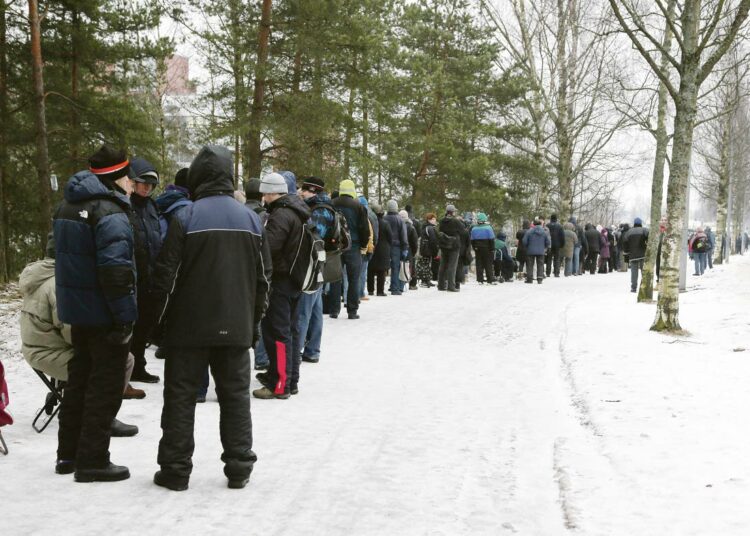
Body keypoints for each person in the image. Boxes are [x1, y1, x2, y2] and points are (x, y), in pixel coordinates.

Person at [149, 145, 270, 490]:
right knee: (235, 398)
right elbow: (264, 279)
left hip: (187, 329)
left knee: (180, 398)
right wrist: (253, 323)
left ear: (198, 177)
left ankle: (175, 469)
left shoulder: (185, 217)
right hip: (236, 326)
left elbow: (166, 278)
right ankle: (239, 466)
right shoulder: (251, 218)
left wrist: (158, 326)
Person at [53, 146, 137, 482]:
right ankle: (93, 460)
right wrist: (124, 316)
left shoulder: (68, 205)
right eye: (128, 175)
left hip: (78, 312)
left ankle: (68, 455)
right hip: (104, 313)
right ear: (118, 176)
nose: (131, 182)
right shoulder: (109, 211)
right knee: (104, 386)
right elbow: (116, 270)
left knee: (79, 381)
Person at [20, 235, 144, 405]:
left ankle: (79, 399)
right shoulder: (58, 285)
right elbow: (73, 334)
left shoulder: (43, 274)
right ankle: (103, 412)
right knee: (121, 359)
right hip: (48, 353)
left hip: (41, 348)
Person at [253, 172, 311, 399]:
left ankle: (280, 383)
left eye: (264, 193)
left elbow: (269, 248)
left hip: (281, 280)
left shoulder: (281, 215)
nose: (263, 198)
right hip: (294, 279)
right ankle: (291, 379)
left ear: (269, 192)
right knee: (291, 332)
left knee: (278, 333)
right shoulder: (297, 211)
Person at [127, 158, 163, 384]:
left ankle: (138, 367)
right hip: (130, 278)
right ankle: (125, 373)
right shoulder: (123, 204)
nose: (147, 187)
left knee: (143, 327)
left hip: (149, 277)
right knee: (127, 329)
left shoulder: (151, 206)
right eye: (143, 182)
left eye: (151, 184)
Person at [296, 177, 335, 364]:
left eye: (304, 190)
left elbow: (313, 238)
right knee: (316, 308)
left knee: (304, 310)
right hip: (319, 264)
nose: (301, 193)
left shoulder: (319, 211)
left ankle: (297, 351)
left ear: (313, 191)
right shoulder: (321, 208)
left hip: (312, 265)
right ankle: (312, 350)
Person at [330, 180, 370, 317]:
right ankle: (352, 310)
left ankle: (334, 310)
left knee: (335, 277)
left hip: (336, 246)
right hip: (354, 245)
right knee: (354, 278)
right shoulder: (359, 206)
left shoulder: (332, 203)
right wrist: (364, 245)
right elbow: (364, 228)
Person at [437, 204, 465, 292]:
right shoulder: (455, 221)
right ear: (452, 212)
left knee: (443, 265)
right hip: (454, 246)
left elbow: (440, 231)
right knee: (452, 266)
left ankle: (441, 285)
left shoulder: (442, 221)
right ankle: (451, 286)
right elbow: (463, 231)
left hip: (444, 246)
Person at [384, 200, 408, 295]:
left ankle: (381, 288)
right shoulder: (400, 220)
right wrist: (405, 248)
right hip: (396, 247)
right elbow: (403, 235)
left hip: (385, 245)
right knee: (395, 267)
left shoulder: (384, 218)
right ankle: (394, 287)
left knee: (384, 267)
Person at [368, 204, 392, 296]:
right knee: (381, 271)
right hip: (383, 249)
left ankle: (370, 290)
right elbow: (390, 237)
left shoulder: (370, 221)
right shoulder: (385, 223)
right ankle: (380, 291)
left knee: (370, 270)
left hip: (372, 247)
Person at [359, 196, 378, 300]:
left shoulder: (355, 213)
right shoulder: (371, 216)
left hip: (356, 247)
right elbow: (373, 233)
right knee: (362, 272)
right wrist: (373, 246)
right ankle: (360, 293)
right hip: (366, 247)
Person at [622, 217, 648, 293]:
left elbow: (625, 244)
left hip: (633, 255)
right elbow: (649, 238)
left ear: (634, 223)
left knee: (634, 272)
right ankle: (645, 286)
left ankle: (633, 288)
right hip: (643, 254)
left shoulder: (628, 232)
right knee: (644, 271)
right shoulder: (645, 230)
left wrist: (627, 254)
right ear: (640, 223)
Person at [470, 213, 496, 284]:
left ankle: (480, 280)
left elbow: (472, 240)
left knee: (479, 263)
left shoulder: (474, 229)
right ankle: (490, 279)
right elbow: (491, 239)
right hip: (487, 248)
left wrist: (474, 248)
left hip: (478, 248)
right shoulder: (488, 228)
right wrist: (492, 249)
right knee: (488, 263)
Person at [522, 219, 550, 284]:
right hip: (541, 250)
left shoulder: (529, 231)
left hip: (530, 250)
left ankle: (529, 279)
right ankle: (540, 278)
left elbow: (524, 241)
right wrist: (545, 247)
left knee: (530, 264)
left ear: (533, 224)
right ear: (540, 224)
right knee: (540, 264)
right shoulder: (544, 232)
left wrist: (527, 246)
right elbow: (548, 242)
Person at [418, 213, 439, 287]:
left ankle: (426, 280)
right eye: (432, 219)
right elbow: (433, 240)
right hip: (428, 249)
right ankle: (425, 281)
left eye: (434, 219)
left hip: (424, 249)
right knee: (426, 265)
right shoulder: (429, 228)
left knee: (425, 264)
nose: (434, 220)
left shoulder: (425, 227)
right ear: (429, 220)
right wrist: (435, 251)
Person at [400, 210, 419, 290]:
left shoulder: (399, 225)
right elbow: (414, 241)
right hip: (409, 249)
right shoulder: (411, 227)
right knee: (411, 266)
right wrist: (414, 251)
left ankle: (401, 283)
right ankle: (412, 284)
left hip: (400, 248)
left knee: (400, 266)